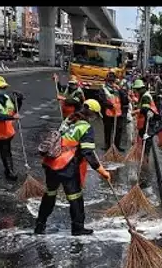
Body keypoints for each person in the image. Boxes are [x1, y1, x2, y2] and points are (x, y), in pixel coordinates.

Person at [35, 99, 112, 236]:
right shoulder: (86, 127)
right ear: (92, 114)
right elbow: (87, 152)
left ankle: (39, 226)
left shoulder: (69, 120)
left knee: (49, 195)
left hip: (51, 163)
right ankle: (78, 228)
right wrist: (102, 171)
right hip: (67, 166)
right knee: (75, 198)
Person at [98, 71, 124, 151]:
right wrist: (111, 106)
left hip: (118, 113)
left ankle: (116, 146)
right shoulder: (103, 89)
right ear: (106, 81)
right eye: (109, 81)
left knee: (118, 129)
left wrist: (120, 90)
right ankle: (107, 145)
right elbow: (102, 100)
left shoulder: (119, 89)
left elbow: (125, 99)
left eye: (112, 81)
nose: (111, 82)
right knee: (108, 129)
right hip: (108, 113)